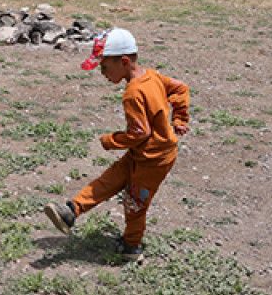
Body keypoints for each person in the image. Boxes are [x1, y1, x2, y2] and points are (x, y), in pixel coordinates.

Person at [43, 28, 190, 257]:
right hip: (141, 153)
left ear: (123, 61)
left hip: (154, 160)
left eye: (104, 66)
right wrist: (180, 118)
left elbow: (139, 133)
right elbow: (180, 88)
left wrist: (111, 140)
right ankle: (71, 211)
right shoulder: (151, 76)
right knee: (109, 180)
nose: (102, 72)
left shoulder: (132, 93)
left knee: (134, 204)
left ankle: (131, 246)